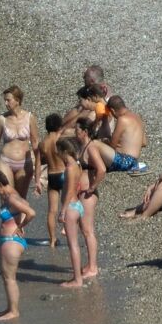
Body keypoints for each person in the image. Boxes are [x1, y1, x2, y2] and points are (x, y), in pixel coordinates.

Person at [0, 170, 35, 321]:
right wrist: (20, 221)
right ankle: (9, 308)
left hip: (11, 241)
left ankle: (14, 311)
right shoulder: (10, 195)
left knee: (10, 278)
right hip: (8, 241)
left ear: (0, 184)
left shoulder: (12, 197)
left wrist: (20, 226)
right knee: (6, 277)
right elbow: (25, 204)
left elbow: (31, 212)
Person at [0, 85, 41, 200]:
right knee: (6, 197)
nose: (6, 103)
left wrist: (38, 171)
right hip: (5, 162)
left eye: (8, 100)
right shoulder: (2, 119)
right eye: (5, 100)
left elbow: (35, 143)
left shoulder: (29, 117)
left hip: (24, 163)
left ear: (17, 100)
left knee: (20, 199)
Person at [73, 120, 103, 280]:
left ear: (85, 131)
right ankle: (90, 264)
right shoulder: (82, 146)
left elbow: (102, 169)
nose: (75, 132)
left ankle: (93, 267)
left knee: (88, 230)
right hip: (82, 192)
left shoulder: (91, 147)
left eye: (77, 130)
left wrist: (92, 187)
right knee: (84, 230)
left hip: (88, 194)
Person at [56, 137, 89, 288]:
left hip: (70, 207)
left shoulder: (70, 168)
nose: (57, 154)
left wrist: (62, 211)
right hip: (77, 205)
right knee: (74, 243)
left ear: (64, 151)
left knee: (73, 245)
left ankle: (77, 280)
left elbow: (69, 191)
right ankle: (77, 276)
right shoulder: (77, 165)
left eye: (58, 151)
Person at [88, 96, 146, 172]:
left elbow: (113, 145)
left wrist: (105, 141)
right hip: (134, 162)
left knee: (94, 143)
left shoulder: (122, 119)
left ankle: (97, 168)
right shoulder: (138, 117)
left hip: (123, 161)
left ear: (113, 110)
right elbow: (144, 143)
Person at [37, 113, 66, 247]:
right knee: (68, 204)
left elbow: (38, 163)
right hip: (63, 173)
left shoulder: (42, 144)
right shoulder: (60, 139)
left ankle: (52, 240)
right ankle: (66, 228)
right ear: (59, 126)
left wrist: (37, 181)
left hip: (52, 175)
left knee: (52, 211)